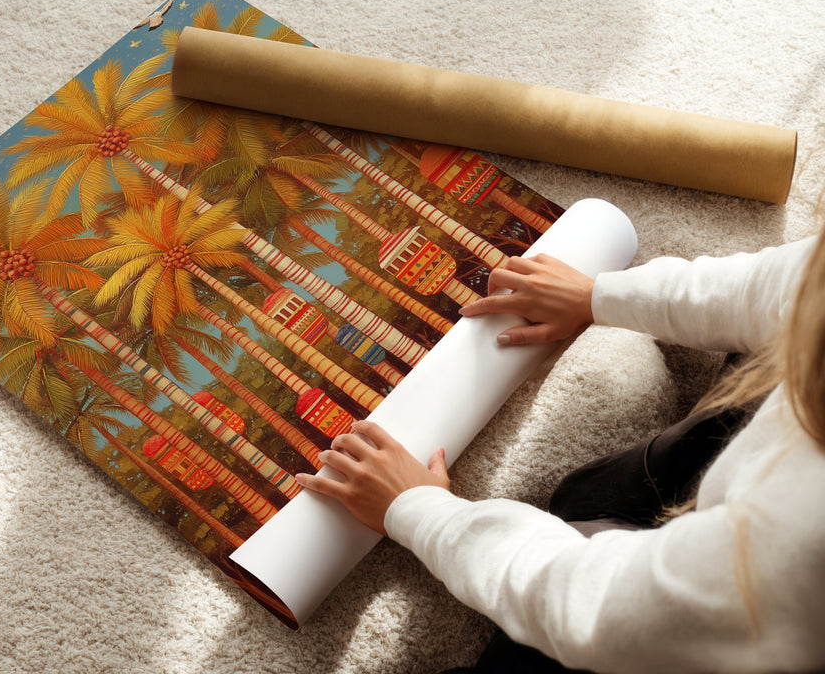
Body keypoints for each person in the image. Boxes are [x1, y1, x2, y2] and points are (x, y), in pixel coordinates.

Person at [296, 231, 825, 673]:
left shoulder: (800, 543)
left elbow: (596, 607)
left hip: (748, 620)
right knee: (587, 497)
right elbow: (786, 284)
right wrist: (598, 296)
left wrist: (418, 510)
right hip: (747, 519)